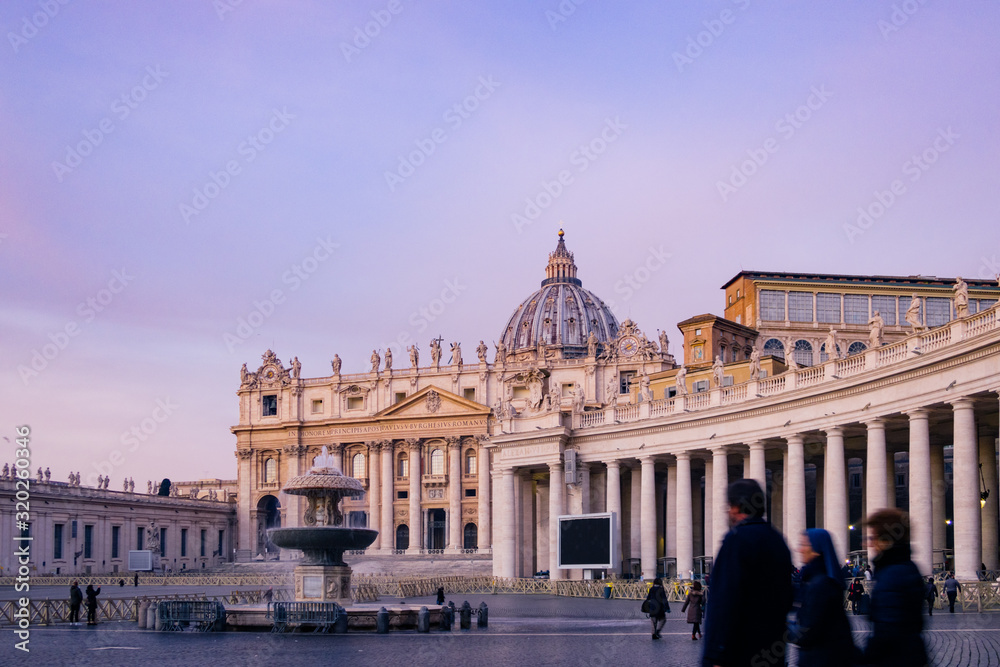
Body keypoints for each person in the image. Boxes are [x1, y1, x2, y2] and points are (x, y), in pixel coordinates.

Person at [702, 479, 794, 667]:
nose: (727, 510)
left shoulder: (736, 541)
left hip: (739, 651)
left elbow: (724, 602)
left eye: (729, 505)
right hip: (772, 650)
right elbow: (787, 596)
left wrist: (716, 655)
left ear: (736, 507)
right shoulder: (778, 540)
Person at [862, 509, 928, 666]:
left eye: (872, 538)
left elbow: (888, 632)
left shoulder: (892, 575)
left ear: (885, 540)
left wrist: (864, 659)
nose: (867, 543)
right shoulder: (905, 567)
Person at [790, 529, 859, 666]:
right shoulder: (818, 580)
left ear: (816, 550)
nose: (799, 549)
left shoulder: (820, 585)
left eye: (804, 545)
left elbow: (807, 632)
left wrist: (784, 627)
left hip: (822, 659)